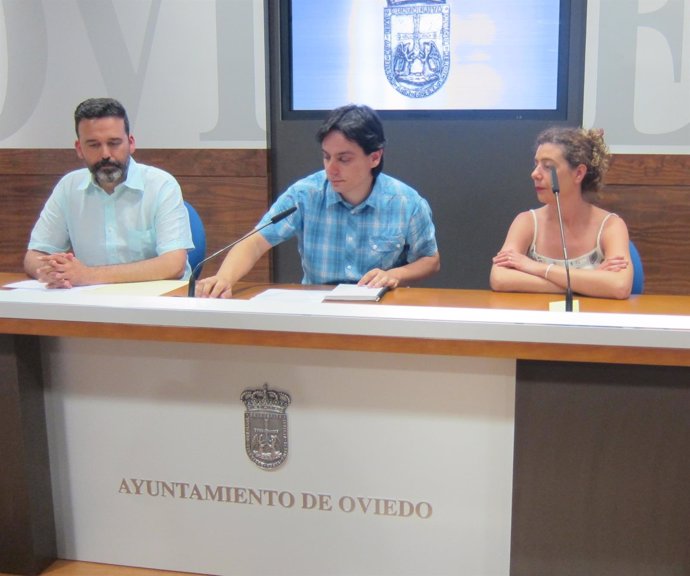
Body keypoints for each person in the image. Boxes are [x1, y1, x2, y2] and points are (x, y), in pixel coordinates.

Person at [196, 104, 440, 298]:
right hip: (317, 309)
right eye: (326, 157)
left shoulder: (407, 203)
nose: (331, 169)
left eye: (343, 159)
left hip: (380, 308)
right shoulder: (305, 194)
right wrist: (224, 278)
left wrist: (395, 275)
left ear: (374, 158)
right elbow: (256, 242)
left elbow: (430, 260)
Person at [24, 97, 193, 288]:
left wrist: (88, 275)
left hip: (157, 303)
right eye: (94, 145)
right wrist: (53, 271)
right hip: (89, 302)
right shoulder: (68, 187)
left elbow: (173, 264)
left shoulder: (161, 185)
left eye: (114, 143)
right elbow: (34, 256)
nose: (105, 154)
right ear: (79, 149)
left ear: (131, 143)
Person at [490, 126, 633, 300]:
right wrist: (586, 284)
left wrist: (537, 269)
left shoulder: (611, 225)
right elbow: (500, 278)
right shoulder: (526, 221)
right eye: (536, 164)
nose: (534, 174)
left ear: (579, 173)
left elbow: (619, 286)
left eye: (548, 166)